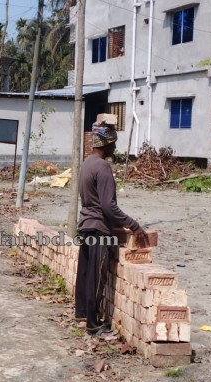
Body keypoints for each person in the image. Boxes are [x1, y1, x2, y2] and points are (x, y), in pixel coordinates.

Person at [75, 114, 148, 336]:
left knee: (86, 273)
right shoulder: (103, 168)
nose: (115, 147)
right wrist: (134, 225)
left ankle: (83, 313)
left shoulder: (87, 163)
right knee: (97, 276)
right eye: (114, 143)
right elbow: (108, 206)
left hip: (85, 224)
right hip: (98, 228)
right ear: (107, 144)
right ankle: (93, 325)